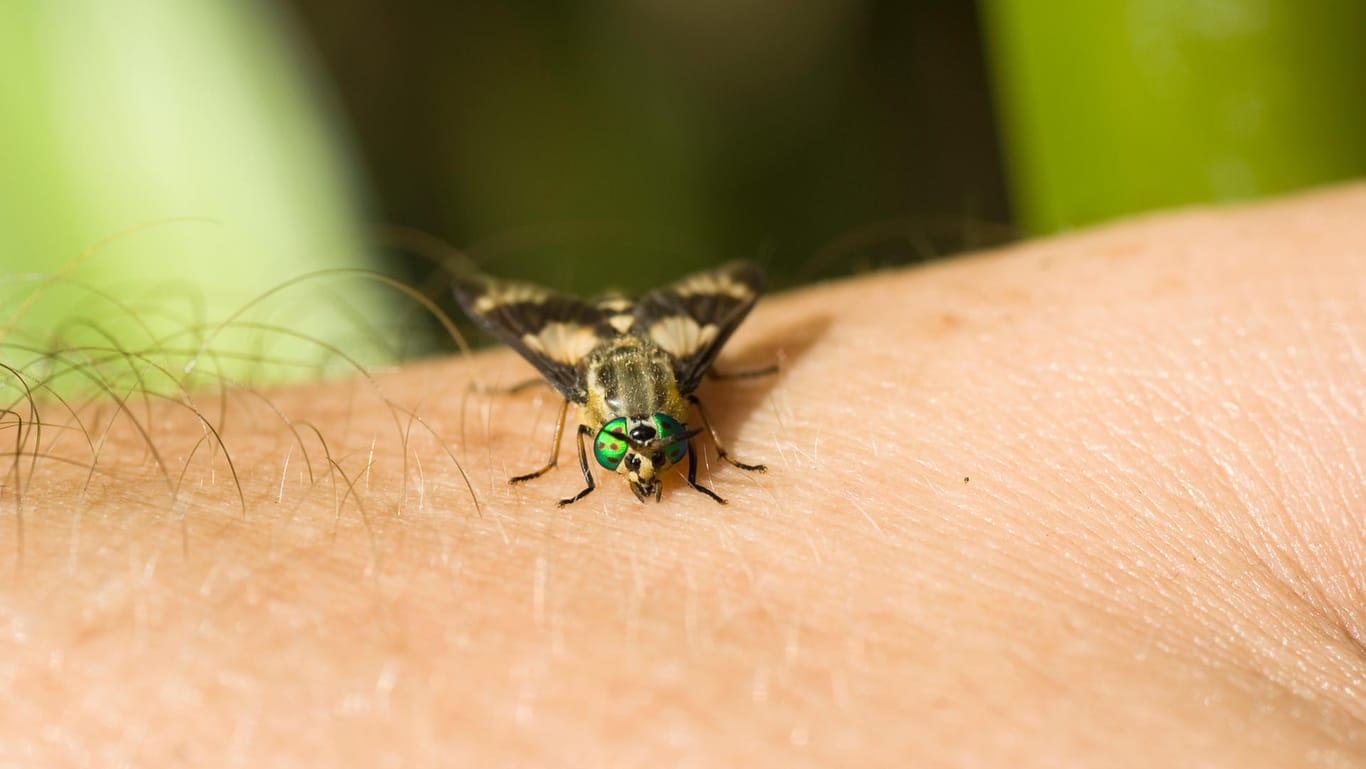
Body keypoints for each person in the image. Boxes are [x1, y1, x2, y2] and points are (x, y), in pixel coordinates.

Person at [5, 184, 1364, 766]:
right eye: (627, 445)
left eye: (641, 444)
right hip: (615, 335)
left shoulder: (673, 402)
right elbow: (605, 416)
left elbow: (689, 403)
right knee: (552, 352)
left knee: (663, 353)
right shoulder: (599, 410)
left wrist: (697, 420)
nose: (639, 453)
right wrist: (600, 424)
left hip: (644, 335)